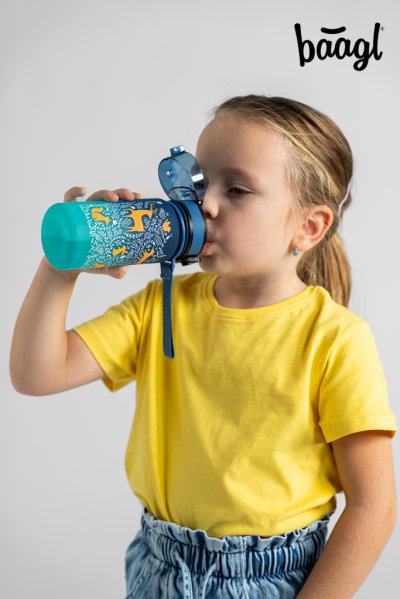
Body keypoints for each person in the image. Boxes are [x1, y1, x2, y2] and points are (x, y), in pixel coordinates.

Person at [10, 95, 397, 599]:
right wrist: (62, 266)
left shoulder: (335, 339)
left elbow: (373, 507)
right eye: (198, 184)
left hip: (271, 579)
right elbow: (36, 373)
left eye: (235, 189)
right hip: (158, 565)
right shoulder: (160, 306)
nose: (204, 205)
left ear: (308, 227)